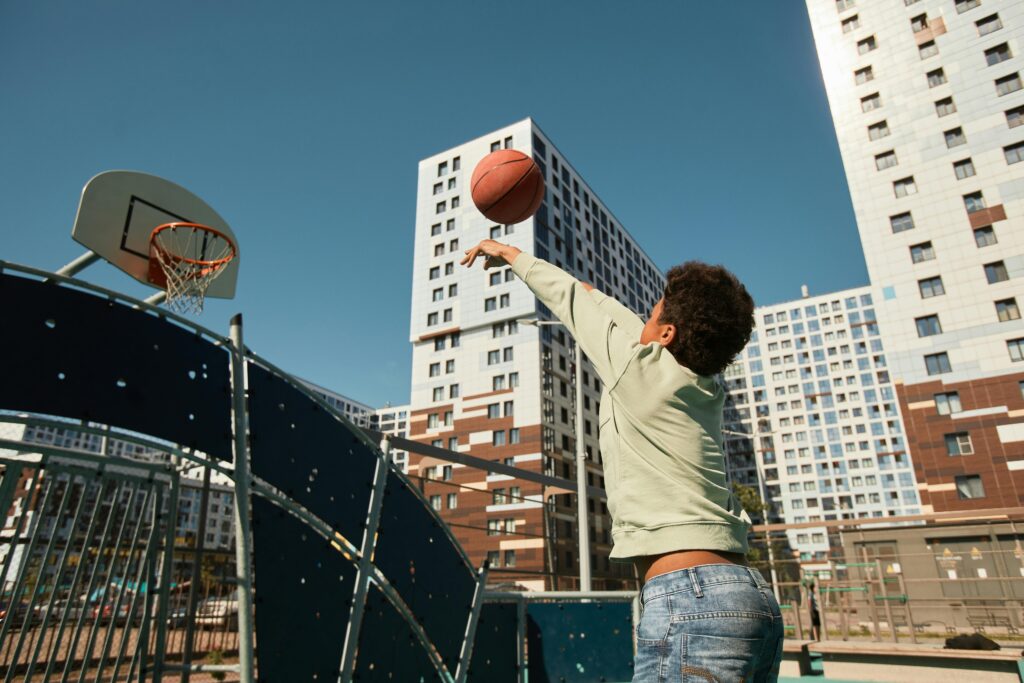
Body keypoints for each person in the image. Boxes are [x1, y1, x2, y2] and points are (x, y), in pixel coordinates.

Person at [462, 240, 784, 682]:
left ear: (666, 335)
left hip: (693, 602)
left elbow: (573, 301)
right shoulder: (703, 388)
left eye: (652, 314)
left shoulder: (639, 371)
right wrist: (600, 297)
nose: (643, 320)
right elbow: (606, 309)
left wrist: (512, 255)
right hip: (752, 599)